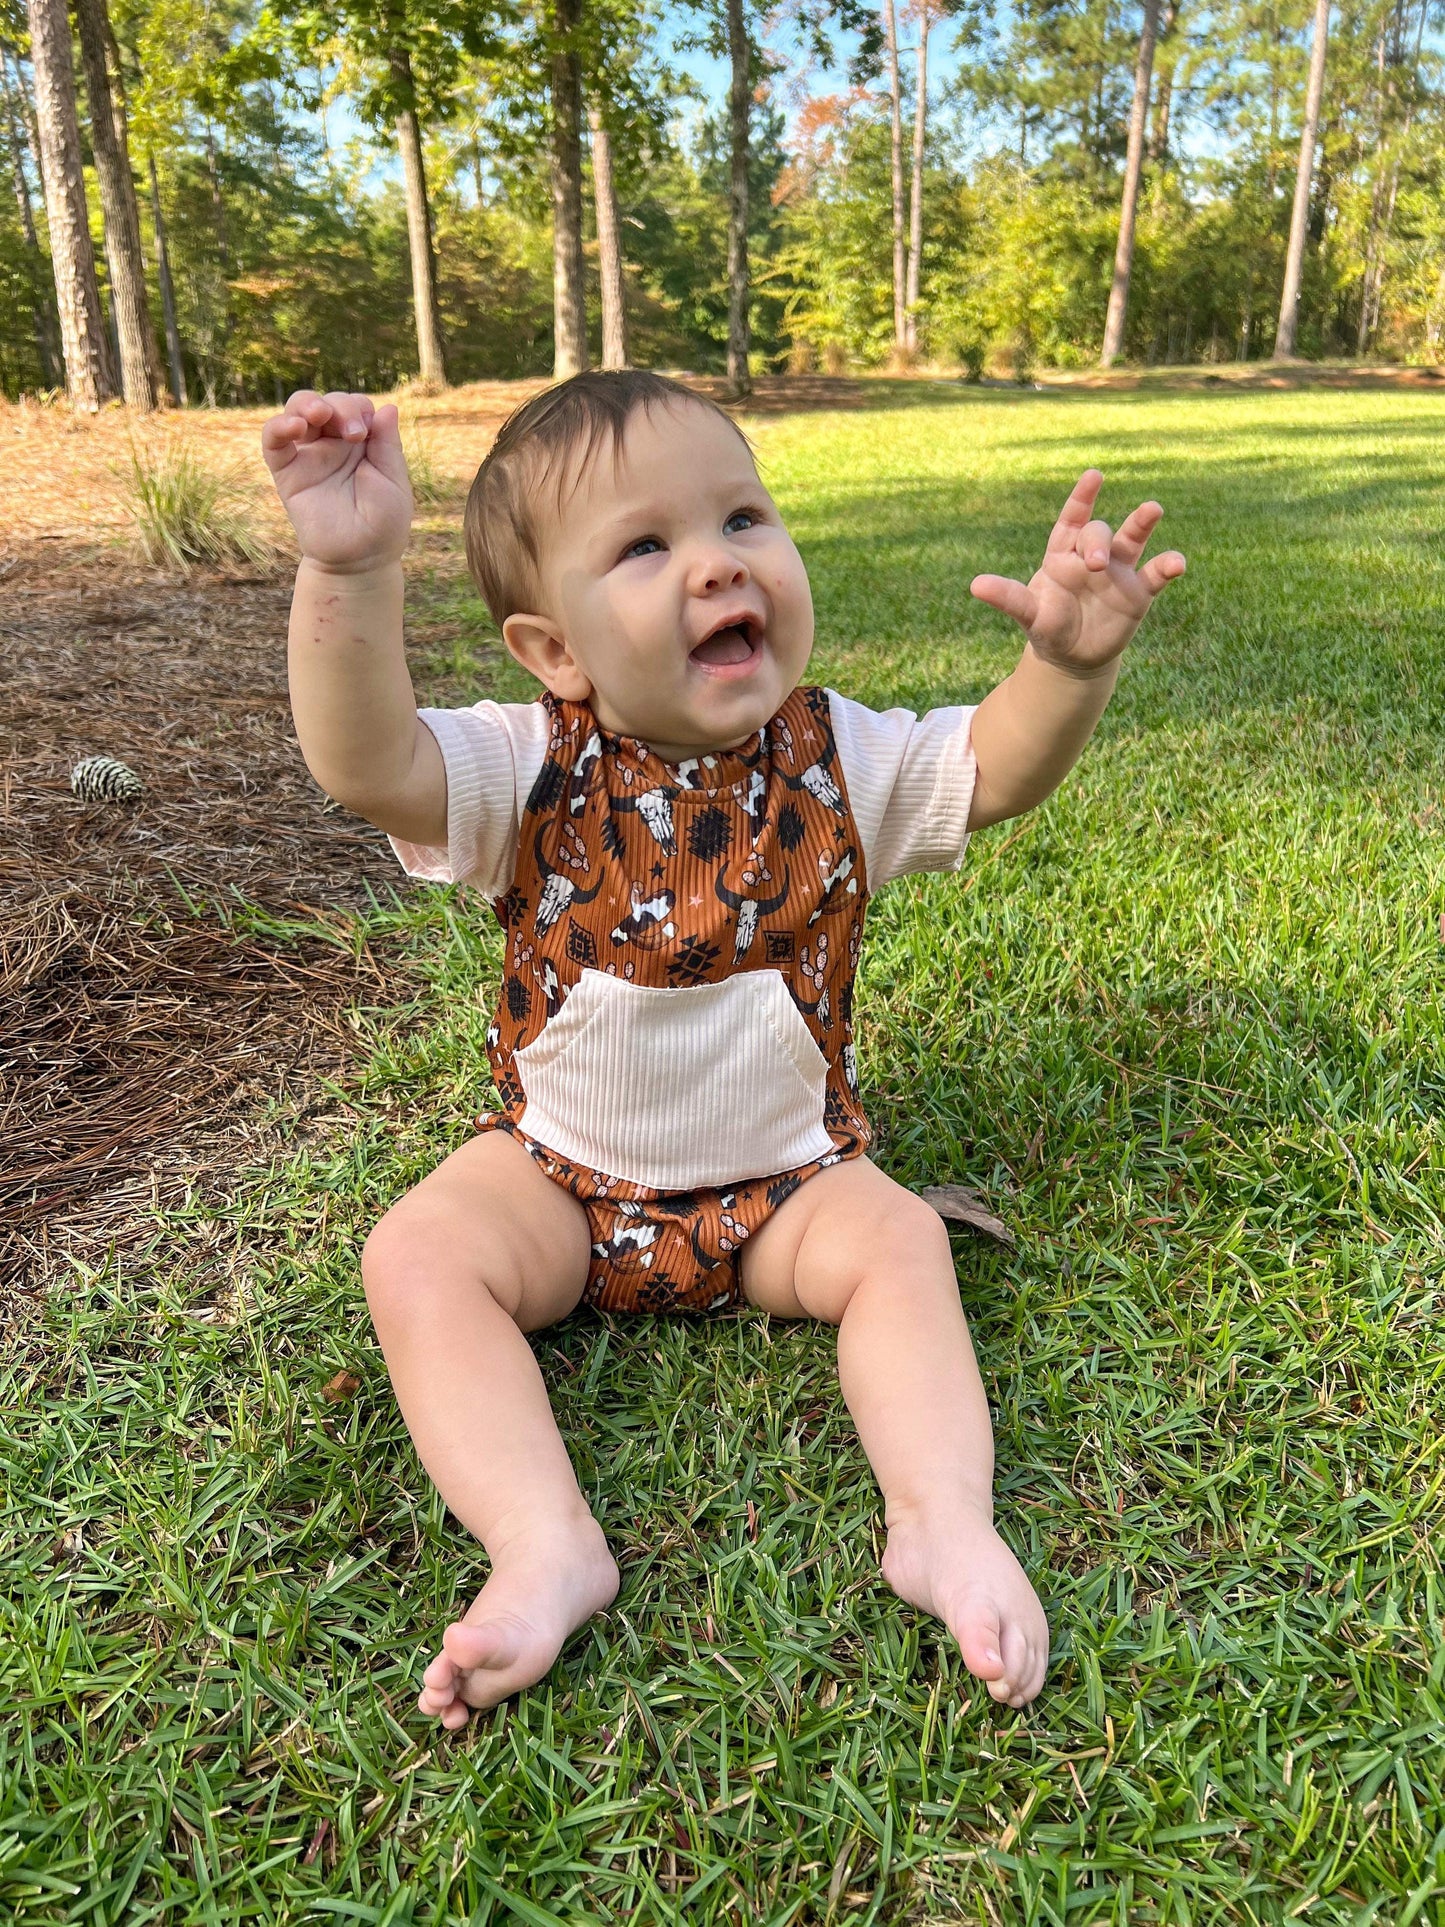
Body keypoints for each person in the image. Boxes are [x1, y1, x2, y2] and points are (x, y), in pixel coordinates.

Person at [261, 370, 1185, 1730]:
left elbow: (989, 768)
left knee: (898, 1248)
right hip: (562, 1187)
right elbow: (364, 759)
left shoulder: (836, 756)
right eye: (645, 547)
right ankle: (542, 1540)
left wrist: (1064, 664)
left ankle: (940, 1522)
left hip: (783, 1192)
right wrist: (349, 564)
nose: (715, 562)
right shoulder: (529, 766)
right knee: (417, 1255)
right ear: (555, 650)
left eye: (741, 517)